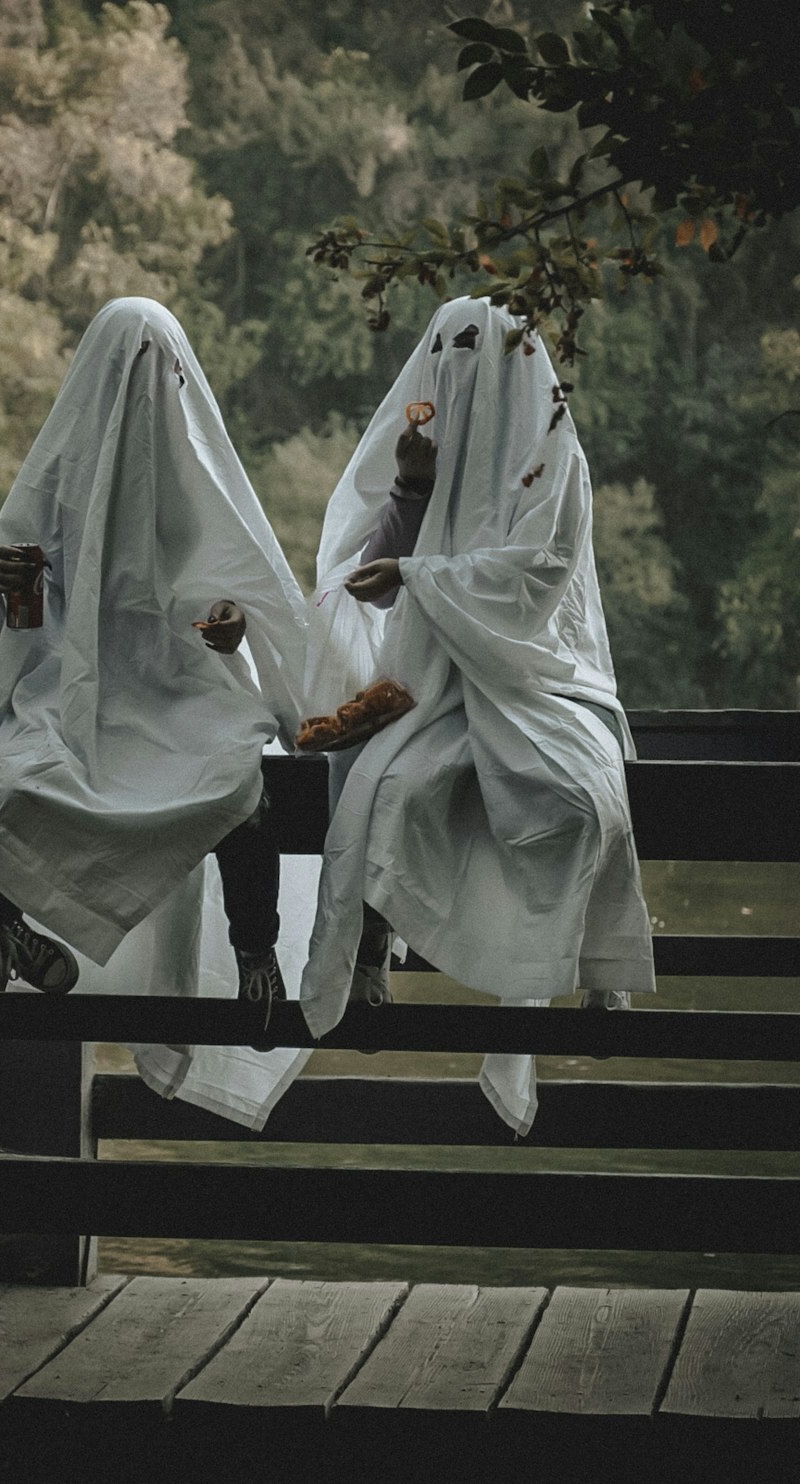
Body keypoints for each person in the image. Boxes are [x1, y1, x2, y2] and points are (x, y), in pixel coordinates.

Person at [0, 297, 312, 1129]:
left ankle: (253, 948)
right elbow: (17, 620)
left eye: (159, 369)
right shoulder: (58, 475)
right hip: (69, 691)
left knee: (233, 782)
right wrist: (20, 592)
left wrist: (228, 627)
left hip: (175, 694)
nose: (142, 387)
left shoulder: (195, 468)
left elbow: (240, 588)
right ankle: (7, 924)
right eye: (128, 367)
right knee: (5, 780)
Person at [298, 295, 656, 1134]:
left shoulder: (553, 458)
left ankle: (594, 960)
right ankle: (368, 949)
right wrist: (412, 491)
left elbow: (540, 576)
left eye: (477, 350)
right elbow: (360, 562)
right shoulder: (416, 449)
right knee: (388, 787)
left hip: (535, 678)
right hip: (430, 679)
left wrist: (420, 578)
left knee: (570, 801)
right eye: (445, 350)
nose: (460, 369)